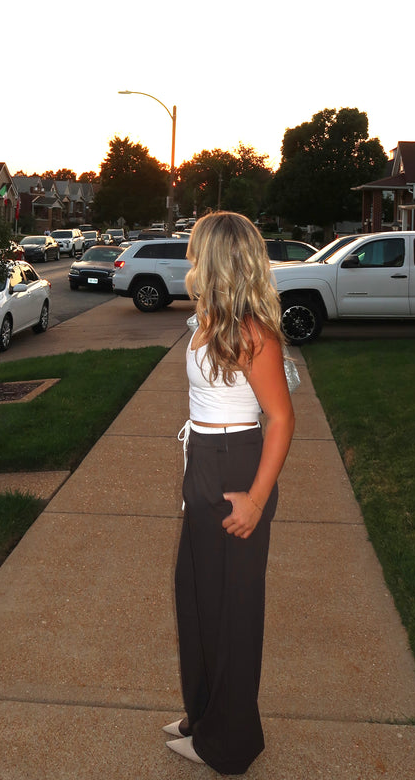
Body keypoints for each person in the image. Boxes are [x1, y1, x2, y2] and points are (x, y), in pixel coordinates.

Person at [165, 212, 295, 774]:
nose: (190, 258)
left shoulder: (250, 331)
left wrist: (257, 499)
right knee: (195, 595)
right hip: (205, 462)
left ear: (218, 259)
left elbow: (282, 419)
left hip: (234, 467)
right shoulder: (209, 318)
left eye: (197, 250)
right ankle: (204, 713)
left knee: (232, 611)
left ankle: (229, 743)